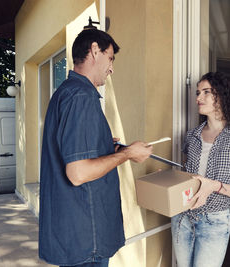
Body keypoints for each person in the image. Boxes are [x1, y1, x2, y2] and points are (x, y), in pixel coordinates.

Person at [39, 28, 153, 267]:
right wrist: (127, 154)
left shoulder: (65, 93)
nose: (111, 68)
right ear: (94, 51)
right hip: (86, 238)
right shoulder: (82, 97)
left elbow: (70, 150)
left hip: (73, 235)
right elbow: (78, 173)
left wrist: (103, 146)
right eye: (110, 58)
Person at [171, 72, 230, 267]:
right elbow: (186, 178)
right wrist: (167, 180)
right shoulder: (191, 136)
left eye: (206, 92)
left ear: (222, 95)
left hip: (214, 221)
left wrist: (213, 186)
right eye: (198, 93)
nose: (198, 98)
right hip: (182, 217)